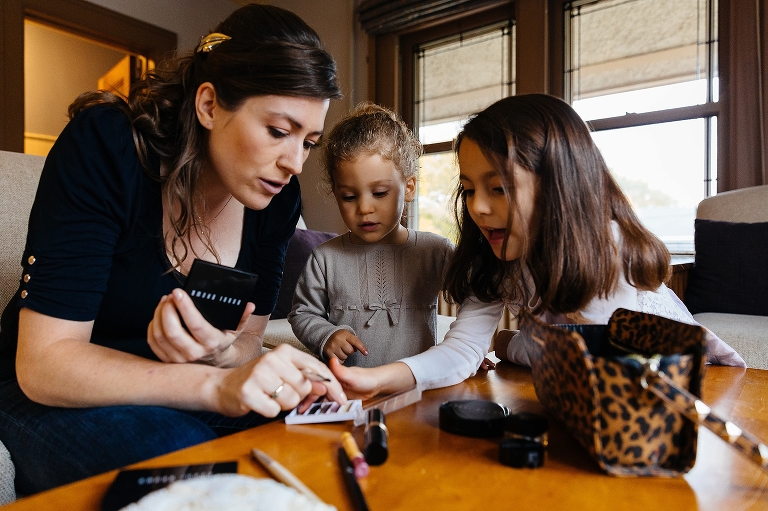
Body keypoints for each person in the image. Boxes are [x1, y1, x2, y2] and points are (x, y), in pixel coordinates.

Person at [0, 4, 346, 494]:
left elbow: (248, 340)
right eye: (277, 130)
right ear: (208, 105)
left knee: (323, 432)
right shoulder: (107, 148)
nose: (294, 162)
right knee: (180, 451)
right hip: (56, 394)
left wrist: (224, 355)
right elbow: (45, 363)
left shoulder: (277, 201)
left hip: (178, 383)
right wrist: (213, 387)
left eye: (309, 141)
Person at [329, 93, 745, 399]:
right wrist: (377, 378)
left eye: (498, 188)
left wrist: (512, 345)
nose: (478, 207)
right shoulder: (495, 257)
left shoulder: (606, 248)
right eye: (469, 189)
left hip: (654, 378)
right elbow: (461, 349)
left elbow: (592, 369)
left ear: (558, 186)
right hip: (569, 363)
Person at [288, 103, 454, 367]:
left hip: (418, 388)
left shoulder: (436, 251)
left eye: (379, 193)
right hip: (353, 389)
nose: (364, 208)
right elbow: (303, 314)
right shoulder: (324, 259)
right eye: (349, 197)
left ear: (408, 188)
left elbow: (476, 300)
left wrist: (468, 349)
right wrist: (327, 335)